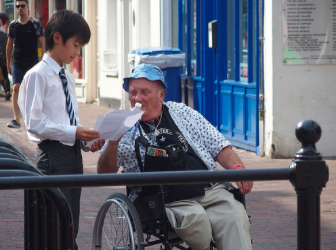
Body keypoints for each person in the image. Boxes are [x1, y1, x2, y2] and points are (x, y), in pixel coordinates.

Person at [98, 63, 253, 250]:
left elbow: (218, 146)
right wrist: (113, 141)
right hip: (166, 199)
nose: (137, 99)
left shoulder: (182, 112)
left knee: (235, 216)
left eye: (144, 92)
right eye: (133, 93)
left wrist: (238, 169)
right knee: (198, 221)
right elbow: (104, 172)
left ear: (161, 95)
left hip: (208, 187)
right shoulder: (124, 125)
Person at [17, 10, 105, 250]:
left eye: (81, 47)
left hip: (72, 156)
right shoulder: (37, 76)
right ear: (57, 38)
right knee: (53, 225)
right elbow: (35, 123)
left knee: (71, 225)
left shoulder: (67, 77)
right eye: (76, 45)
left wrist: (86, 142)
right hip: (52, 158)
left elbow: (69, 118)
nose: (78, 52)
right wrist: (74, 133)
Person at [6, 0, 45, 128]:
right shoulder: (13, 25)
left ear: (27, 7)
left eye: (22, 6)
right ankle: (16, 120)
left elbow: (43, 42)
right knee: (16, 87)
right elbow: (9, 45)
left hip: (32, 62)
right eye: (17, 6)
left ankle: (31, 119)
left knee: (31, 91)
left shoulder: (35, 24)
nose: (20, 8)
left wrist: (44, 61)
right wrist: (8, 62)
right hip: (17, 61)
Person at [0, 19, 10, 101]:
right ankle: (7, 92)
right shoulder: (4, 35)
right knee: (5, 76)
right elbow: (7, 47)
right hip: (3, 58)